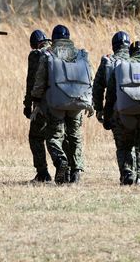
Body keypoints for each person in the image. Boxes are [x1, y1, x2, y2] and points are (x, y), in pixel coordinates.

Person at [31, 24, 94, 184]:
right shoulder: (81, 54)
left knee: (54, 137)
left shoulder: (48, 54)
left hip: (57, 103)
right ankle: (76, 172)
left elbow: (40, 81)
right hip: (78, 102)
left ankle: (61, 161)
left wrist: (36, 99)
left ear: (54, 39)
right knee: (75, 136)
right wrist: (90, 101)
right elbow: (90, 78)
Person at [104, 41, 140, 185]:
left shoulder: (121, 66)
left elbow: (110, 94)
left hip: (125, 113)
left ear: (130, 52)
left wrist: (107, 114)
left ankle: (127, 173)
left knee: (125, 146)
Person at [92, 31, 140, 183]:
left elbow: (98, 87)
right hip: (139, 107)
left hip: (116, 110)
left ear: (114, 46)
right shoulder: (137, 59)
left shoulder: (108, 61)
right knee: (138, 143)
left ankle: (127, 173)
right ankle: (139, 174)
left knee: (123, 144)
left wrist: (99, 109)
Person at [24, 29, 55, 182]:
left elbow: (31, 81)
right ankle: (70, 172)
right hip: (63, 102)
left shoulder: (36, 54)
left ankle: (43, 173)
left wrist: (27, 104)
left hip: (43, 104)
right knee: (60, 136)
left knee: (35, 137)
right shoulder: (59, 51)